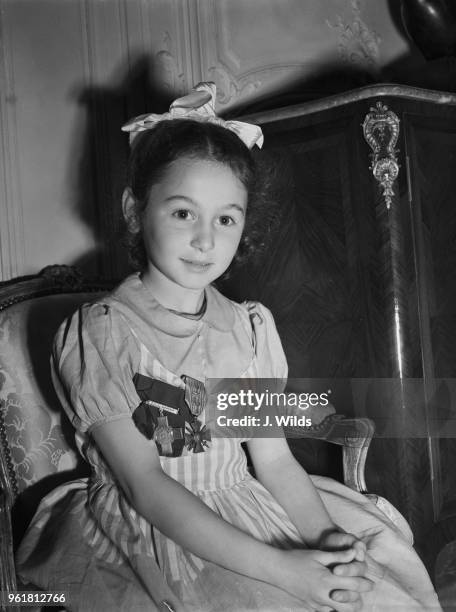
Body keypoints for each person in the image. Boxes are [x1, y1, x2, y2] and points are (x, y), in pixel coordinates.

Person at [16, 83, 441, 612]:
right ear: (134, 210)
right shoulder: (102, 334)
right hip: (153, 530)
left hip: (246, 502)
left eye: (225, 219)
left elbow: (275, 459)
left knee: (366, 586)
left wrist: (324, 537)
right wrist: (285, 570)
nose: (204, 240)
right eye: (182, 213)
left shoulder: (250, 329)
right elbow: (145, 486)